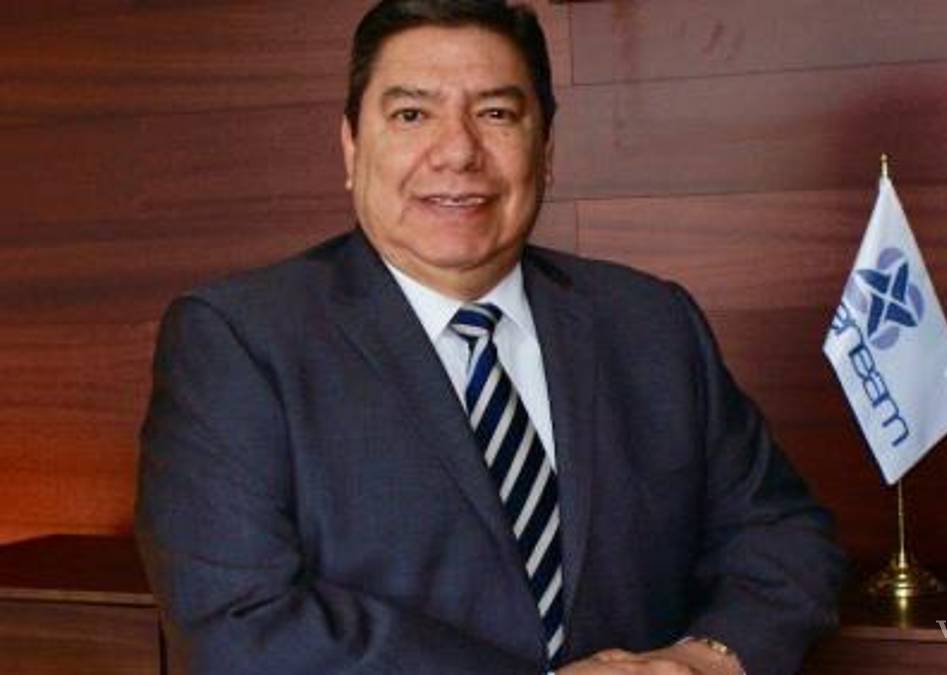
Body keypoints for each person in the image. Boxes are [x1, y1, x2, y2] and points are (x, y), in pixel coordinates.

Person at [135, 1, 845, 674]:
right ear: (351, 146)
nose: (457, 152)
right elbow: (241, 623)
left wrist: (708, 658)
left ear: (546, 148)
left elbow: (782, 534)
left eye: (496, 113)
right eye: (412, 114)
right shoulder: (240, 341)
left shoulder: (651, 322)